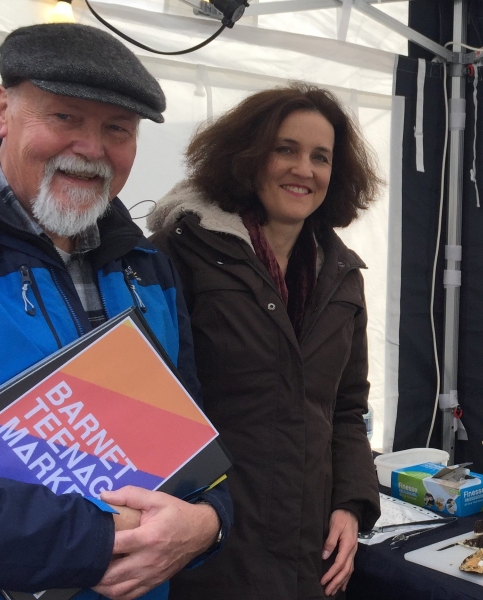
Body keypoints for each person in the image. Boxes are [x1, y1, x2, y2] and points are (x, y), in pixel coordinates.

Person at [0, 23, 231, 600]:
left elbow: (195, 433)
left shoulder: (148, 265)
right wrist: (100, 539)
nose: (92, 149)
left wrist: (210, 523)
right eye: (65, 117)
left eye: (117, 129)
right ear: (1, 110)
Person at [147, 83, 381, 599]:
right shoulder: (178, 255)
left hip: (307, 547)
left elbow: (345, 409)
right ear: (248, 156)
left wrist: (351, 502)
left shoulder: (343, 276)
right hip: (211, 545)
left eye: (321, 157)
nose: (305, 169)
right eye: (285, 149)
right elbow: (148, 408)